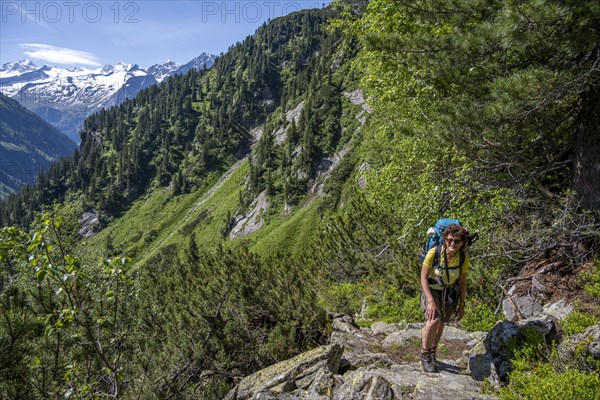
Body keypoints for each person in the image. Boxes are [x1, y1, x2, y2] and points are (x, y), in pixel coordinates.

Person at [420, 223, 469, 372]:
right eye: (449, 240)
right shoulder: (434, 253)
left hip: (449, 292)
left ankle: (433, 351)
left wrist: (461, 305)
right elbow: (423, 278)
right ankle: (425, 354)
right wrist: (430, 301)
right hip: (432, 289)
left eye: (457, 241)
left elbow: (462, 283)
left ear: (462, 243)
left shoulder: (463, 257)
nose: (452, 243)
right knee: (432, 320)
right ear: (444, 240)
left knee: (441, 323)